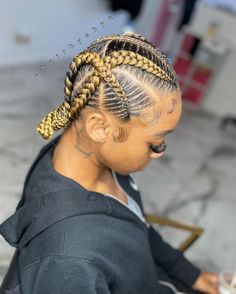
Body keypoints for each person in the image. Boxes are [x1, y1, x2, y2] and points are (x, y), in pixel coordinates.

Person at [0, 32, 219, 294]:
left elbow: (136, 225)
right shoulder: (67, 262)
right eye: (155, 142)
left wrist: (190, 275)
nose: (160, 152)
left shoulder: (96, 160)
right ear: (99, 127)